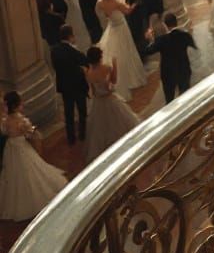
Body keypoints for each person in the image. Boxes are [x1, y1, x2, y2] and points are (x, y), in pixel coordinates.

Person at [0, 92, 67, 221]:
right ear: (16, 106)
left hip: (10, 149)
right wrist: (33, 132)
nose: (22, 105)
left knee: (12, 174)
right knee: (30, 171)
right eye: (21, 103)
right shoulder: (21, 120)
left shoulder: (6, 120)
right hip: (21, 147)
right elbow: (30, 132)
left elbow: (5, 131)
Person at [83, 46, 140, 163]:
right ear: (100, 57)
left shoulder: (89, 73)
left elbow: (93, 91)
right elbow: (113, 81)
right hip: (110, 100)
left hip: (98, 103)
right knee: (120, 122)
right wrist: (115, 65)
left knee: (100, 127)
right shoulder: (106, 68)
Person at [96, 0, 149, 99]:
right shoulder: (116, 3)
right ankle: (128, 77)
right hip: (121, 28)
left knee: (112, 51)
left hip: (111, 27)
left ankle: (114, 73)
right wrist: (135, 4)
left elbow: (101, 11)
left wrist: (106, 15)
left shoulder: (100, 2)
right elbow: (127, 10)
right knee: (126, 51)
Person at [141, 13, 198, 103]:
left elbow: (147, 51)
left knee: (169, 99)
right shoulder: (185, 35)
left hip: (168, 73)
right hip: (184, 69)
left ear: (165, 25)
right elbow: (194, 46)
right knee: (186, 98)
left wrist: (150, 39)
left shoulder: (161, 40)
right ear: (176, 22)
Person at [50, 25, 90, 145]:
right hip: (77, 85)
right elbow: (84, 61)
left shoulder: (54, 50)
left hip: (65, 86)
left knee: (69, 112)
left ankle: (71, 138)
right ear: (70, 36)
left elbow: (55, 67)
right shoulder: (73, 50)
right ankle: (82, 134)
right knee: (82, 111)